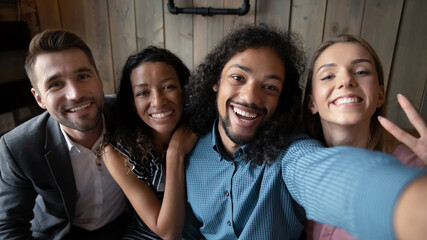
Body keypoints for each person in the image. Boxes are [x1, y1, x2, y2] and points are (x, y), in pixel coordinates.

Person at [181, 23, 427, 240]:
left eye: (269, 87)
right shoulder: (191, 149)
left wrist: (410, 206)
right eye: (238, 77)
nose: (250, 96)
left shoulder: (289, 152)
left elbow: (327, 177)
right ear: (216, 80)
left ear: (281, 100)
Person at [0, 29, 130, 239]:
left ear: (99, 78)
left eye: (83, 76)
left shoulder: (131, 113)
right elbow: (9, 226)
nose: (75, 94)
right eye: (55, 84)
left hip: (124, 228)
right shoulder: (18, 148)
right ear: (39, 99)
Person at [302, 34, 427, 240]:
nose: (347, 80)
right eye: (328, 76)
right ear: (312, 102)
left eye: (360, 72)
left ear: (379, 95)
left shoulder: (413, 170)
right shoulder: (296, 165)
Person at [96, 46, 197, 240]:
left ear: (185, 91)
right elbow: (168, 232)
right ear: (133, 103)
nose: (158, 102)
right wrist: (175, 154)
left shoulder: (202, 133)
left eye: (168, 87)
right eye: (143, 93)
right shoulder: (116, 152)